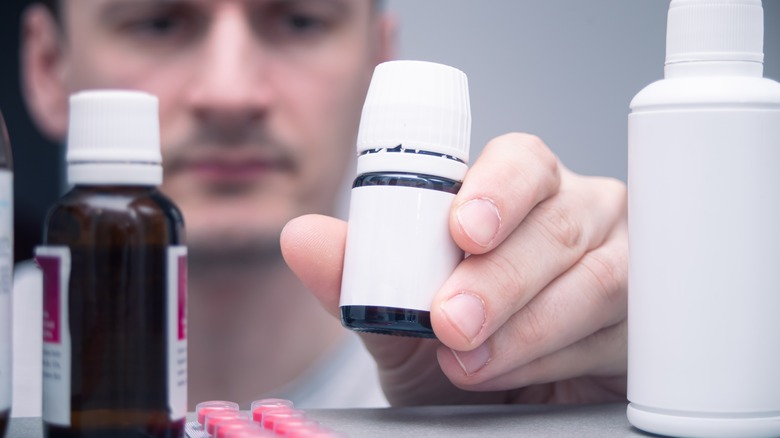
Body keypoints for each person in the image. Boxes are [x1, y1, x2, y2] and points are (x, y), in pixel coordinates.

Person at [14, 0, 628, 416]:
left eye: (301, 20)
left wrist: (576, 420)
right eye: (157, 22)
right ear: (47, 66)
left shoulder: (490, 373)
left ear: (378, 69)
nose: (231, 94)